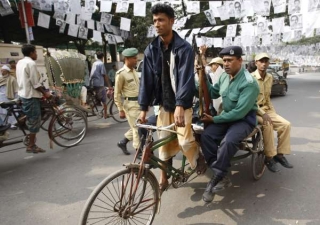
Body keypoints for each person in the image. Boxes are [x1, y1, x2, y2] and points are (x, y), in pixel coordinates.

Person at [138, 3, 206, 193]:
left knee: (185, 141)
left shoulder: (183, 48)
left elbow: (185, 79)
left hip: (182, 105)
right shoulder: (151, 49)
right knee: (164, 145)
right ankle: (163, 178)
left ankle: (198, 158)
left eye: (161, 20)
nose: (157, 24)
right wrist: (143, 109)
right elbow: (147, 81)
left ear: (171, 21)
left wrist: (180, 105)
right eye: (154, 21)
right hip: (163, 105)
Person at [200, 46, 259, 203]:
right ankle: (222, 173)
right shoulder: (224, 77)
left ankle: (215, 179)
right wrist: (203, 77)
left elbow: (239, 112)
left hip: (243, 120)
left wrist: (214, 119)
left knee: (229, 141)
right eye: (224, 60)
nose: (226, 64)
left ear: (240, 60)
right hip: (226, 117)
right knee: (206, 136)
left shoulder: (249, 83)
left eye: (230, 60)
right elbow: (213, 93)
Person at [252, 53, 293, 172]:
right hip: (253, 111)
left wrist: (272, 113)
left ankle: (280, 155)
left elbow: (268, 97)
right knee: (268, 124)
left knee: (286, 125)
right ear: (256, 63)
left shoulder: (270, 77)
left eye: (266, 61)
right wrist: (263, 114)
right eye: (261, 61)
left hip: (267, 110)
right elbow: (249, 101)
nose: (264, 64)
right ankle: (269, 157)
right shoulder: (250, 78)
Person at [16, 44, 51, 153]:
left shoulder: (20, 62)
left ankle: (26, 125)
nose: (36, 54)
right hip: (30, 95)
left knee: (33, 116)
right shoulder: (31, 63)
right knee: (35, 120)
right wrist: (45, 93)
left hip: (23, 93)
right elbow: (35, 83)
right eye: (35, 52)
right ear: (31, 53)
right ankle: (31, 145)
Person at [115, 48, 140, 156]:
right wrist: (120, 109)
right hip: (130, 105)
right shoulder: (121, 74)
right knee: (137, 128)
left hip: (138, 103)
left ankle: (123, 142)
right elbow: (117, 93)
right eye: (134, 58)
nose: (136, 60)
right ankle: (139, 151)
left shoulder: (134, 71)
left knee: (139, 126)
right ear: (127, 59)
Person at [89, 52, 113, 119]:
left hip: (94, 83)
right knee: (104, 100)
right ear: (102, 57)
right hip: (99, 84)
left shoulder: (94, 63)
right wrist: (109, 85)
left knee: (98, 99)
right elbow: (104, 75)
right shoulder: (101, 64)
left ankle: (92, 108)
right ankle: (105, 114)